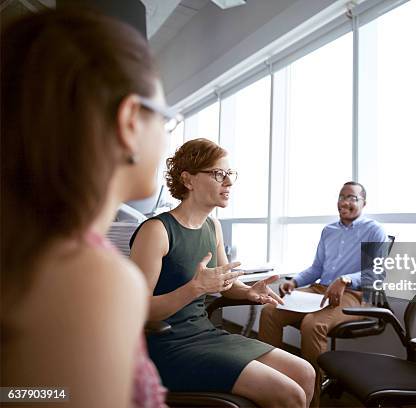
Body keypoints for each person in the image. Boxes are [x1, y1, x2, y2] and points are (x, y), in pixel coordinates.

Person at [1, 9, 169, 407]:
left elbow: (30, 396)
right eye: (166, 118)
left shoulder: (27, 247)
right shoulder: (94, 278)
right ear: (130, 120)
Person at [129, 138, 315, 408]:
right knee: (290, 395)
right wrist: (195, 288)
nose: (228, 182)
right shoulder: (156, 231)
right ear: (188, 179)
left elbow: (225, 284)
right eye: (218, 174)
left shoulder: (212, 226)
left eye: (230, 175)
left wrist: (248, 291)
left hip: (205, 333)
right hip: (167, 345)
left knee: (305, 373)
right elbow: (138, 312)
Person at [258, 181, 387, 405]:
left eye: (352, 198)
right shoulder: (329, 230)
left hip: (355, 294)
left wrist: (346, 279)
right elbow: (317, 269)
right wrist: (295, 280)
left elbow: (376, 273)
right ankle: (270, 381)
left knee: (312, 323)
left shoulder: (374, 230)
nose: (345, 202)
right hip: (319, 290)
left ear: (364, 203)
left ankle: (311, 397)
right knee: (270, 311)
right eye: (341, 196)